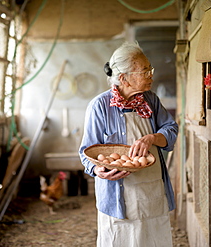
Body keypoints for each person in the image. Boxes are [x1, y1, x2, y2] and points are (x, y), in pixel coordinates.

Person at [78, 41, 178, 247]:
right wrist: (98, 171)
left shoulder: (151, 100)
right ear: (123, 78)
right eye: (144, 71)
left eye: (150, 69)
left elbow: (171, 130)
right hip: (118, 194)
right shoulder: (100, 106)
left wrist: (152, 137)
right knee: (120, 239)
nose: (151, 74)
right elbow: (85, 152)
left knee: (153, 239)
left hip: (151, 189)